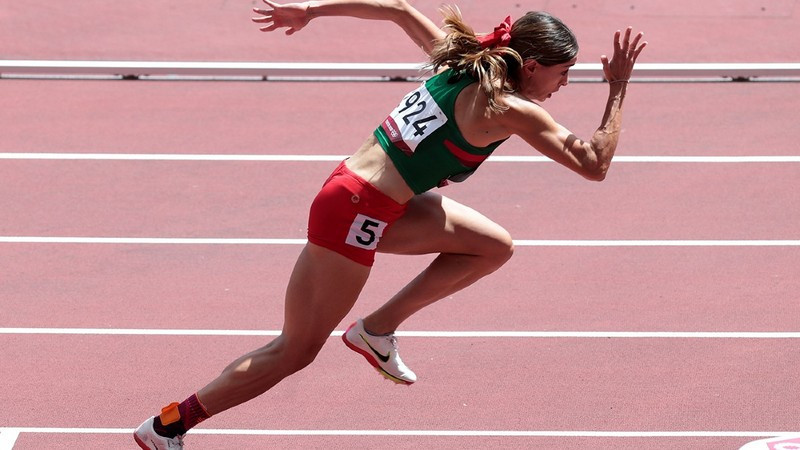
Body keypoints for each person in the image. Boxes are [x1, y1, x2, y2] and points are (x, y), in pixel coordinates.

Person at [134, 0, 646, 447]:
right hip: (356, 210)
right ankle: (167, 426)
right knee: (295, 350)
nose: (564, 84)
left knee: (493, 246)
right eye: (563, 73)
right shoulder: (509, 108)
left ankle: (376, 330)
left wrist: (311, 10)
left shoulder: (461, 58)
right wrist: (618, 87)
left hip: (364, 195)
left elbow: (396, 7)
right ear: (530, 66)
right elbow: (594, 164)